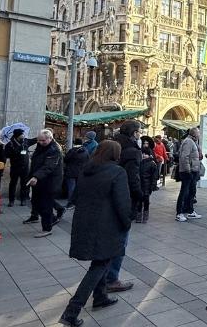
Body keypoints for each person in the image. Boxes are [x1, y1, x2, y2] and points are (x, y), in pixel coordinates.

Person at [58, 140, 131, 327]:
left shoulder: (86, 169)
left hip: (85, 222)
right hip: (107, 225)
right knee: (100, 264)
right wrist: (126, 222)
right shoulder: (117, 172)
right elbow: (122, 203)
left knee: (101, 260)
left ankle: (100, 296)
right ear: (115, 154)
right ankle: (71, 312)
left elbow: (75, 197)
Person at [105, 121, 142, 292]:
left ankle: (104, 276)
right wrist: (140, 195)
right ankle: (112, 278)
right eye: (139, 132)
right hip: (124, 199)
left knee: (110, 238)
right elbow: (132, 178)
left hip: (107, 198)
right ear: (134, 133)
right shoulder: (132, 151)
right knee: (121, 241)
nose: (140, 134)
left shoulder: (110, 145)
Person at [24, 129, 64, 238]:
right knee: (35, 202)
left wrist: (36, 176)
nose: (40, 142)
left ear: (50, 138)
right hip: (39, 180)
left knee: (46, 205)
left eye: (43, 140)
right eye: (39, 140)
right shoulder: (41, 146)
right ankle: (53, 218)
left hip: (49, 182)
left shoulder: (54, 149)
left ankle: (47, 228)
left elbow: (49, 167)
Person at [176, 127, 202, 221]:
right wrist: (188, 170)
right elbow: (184, 156)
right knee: (184, 192)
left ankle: (190, 211)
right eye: (198, 133)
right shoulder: (188, 141)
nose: (199, 134)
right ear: (194, 134)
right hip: (188, 171)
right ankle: (179, 213)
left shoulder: (193, 141)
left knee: (192, 191)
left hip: (193, 170)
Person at [4, 127, 30, 207]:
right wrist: (16, 152)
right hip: (15, 167)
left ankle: (23, 199)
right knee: (13, 184)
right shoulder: (10, 144)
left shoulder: (25, 142)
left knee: (24, 184)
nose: (23, 136)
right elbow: (6, 155)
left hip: (25, 167)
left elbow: (34, 140)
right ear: (17, 136)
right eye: (22, 135)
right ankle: (11, 201)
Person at [136, 137, 159, 223]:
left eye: (145, 154)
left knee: (146, 201)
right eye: (143, 154)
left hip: (147, 185)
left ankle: (145, 216)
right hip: (140, 184)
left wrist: (153, 185)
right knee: (139, 200)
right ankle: (138, 216)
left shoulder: (152, 164)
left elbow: (154, 176)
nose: (144, 155)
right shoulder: (139, 162)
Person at [64, 138, 90, 207]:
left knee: (71, 188)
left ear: (75, 143)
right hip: (81, 171)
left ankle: (70, 203)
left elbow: (66, 159)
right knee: (78, 187)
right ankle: (78, 201)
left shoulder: (72, 150)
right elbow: (88, 160)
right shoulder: (85, 150)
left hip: (71, 171)